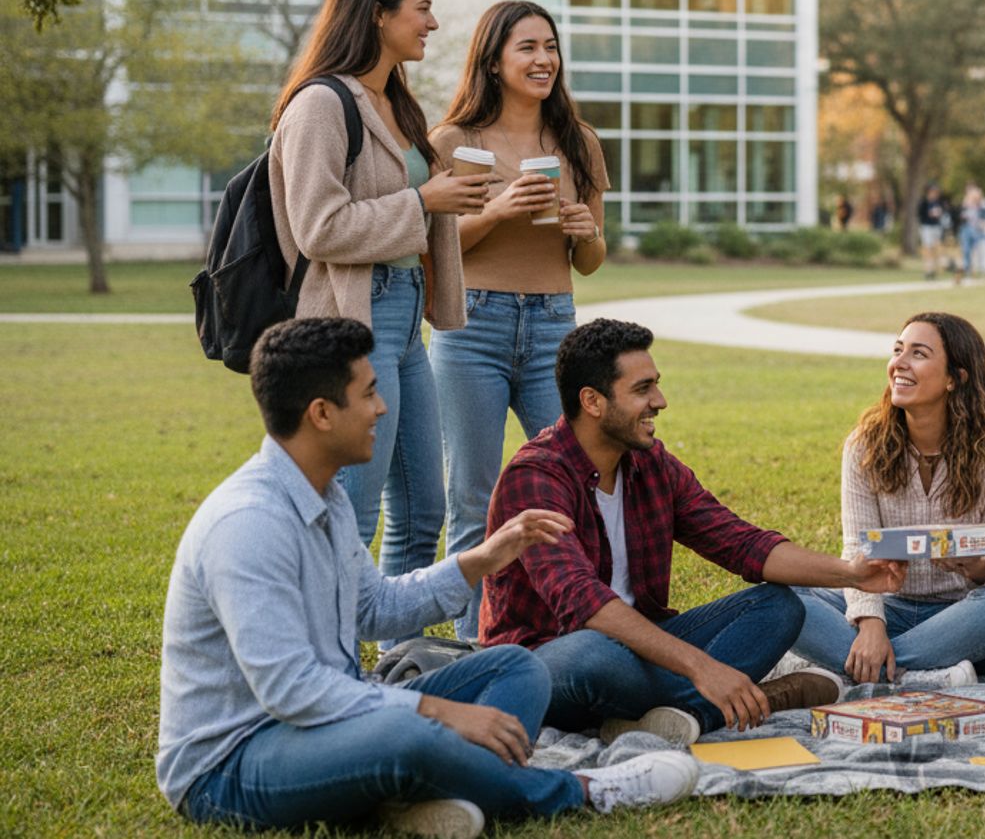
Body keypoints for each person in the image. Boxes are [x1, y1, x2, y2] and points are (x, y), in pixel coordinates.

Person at [158, 318, 698, 837]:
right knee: (407, 731)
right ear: (322, 413)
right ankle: (582, 790)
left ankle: (423, 793)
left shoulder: (326, 495)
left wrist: (486, 557)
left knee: (517, 668)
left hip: (327, 723)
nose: (382, 407)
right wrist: (438, 711)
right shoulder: (249, 524)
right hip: (233, 763)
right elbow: (290, 689)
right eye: (369, 394)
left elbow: (375, 610)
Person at [480, 319, 907, 746]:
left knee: (780, 606)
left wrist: (851, 572)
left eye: (656, 385)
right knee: (593, 653)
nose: (660, 401)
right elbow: (584, 603)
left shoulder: (651, 465)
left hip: (644, 646)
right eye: (642, 389)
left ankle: (671, 715)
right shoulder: (536, 478)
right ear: (592, 401)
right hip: (551, 656)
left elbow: (742, 544)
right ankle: (743, 701)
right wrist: (703, 668)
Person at [268, 0, 487, 585]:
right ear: (377, 14)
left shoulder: (396, 102)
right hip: (351, 321)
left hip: (404, 313)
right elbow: (319, 227)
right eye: (422, 9)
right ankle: (327, 662)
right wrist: (423, 198)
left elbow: (413, 208)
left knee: (424, 510)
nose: (433, 23)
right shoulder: (320, 104)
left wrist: (461, 193)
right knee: (353, 515)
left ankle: (398, 653)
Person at [429, 0, 610, 642]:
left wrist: (585, 230)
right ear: (494, 60)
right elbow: (437, 254)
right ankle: (468, 646)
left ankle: (584, 628)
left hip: (554, 327)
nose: (543, 60)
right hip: (471, 324)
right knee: (473, 499)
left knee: (579, 481)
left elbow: (589, 261)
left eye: (550, 47)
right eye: (527, 48)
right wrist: (500, 210)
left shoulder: (578, 143)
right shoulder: (453, 143)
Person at [792, 313, 985, 688]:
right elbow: (857, 550)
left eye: (918, 354)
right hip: (888, 606)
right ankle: (916, 676)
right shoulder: (864, 445)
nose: (898, 364)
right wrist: (871, 625)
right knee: (782, 598)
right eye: (898, 350)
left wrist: (977, 566)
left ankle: (865, 669)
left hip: (962, 617)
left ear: (956, 377)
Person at [955, 184, 985, 284]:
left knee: (980, 251)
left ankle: (981, 271)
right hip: (966, 230)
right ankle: (967, 270)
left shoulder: (983, 206)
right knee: (966, 250)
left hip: (978, 231)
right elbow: (958, 217)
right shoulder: (965, 205)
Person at [917, 184, 949, 281]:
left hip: (936, 227)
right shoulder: (924, 202)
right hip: (927, 227)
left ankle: (935, 270)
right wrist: (928, 215)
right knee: (927, 249)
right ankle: (928, 270)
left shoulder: (939, 203)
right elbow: (919, 214)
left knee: (936, 248)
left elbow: (942, 213)